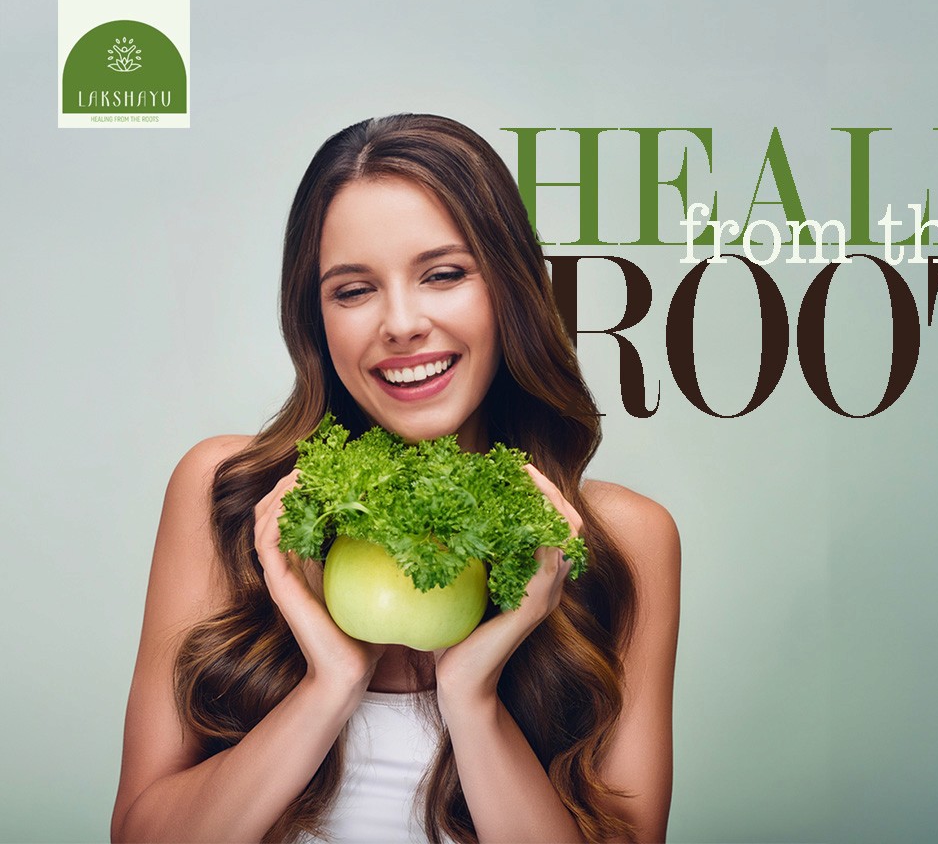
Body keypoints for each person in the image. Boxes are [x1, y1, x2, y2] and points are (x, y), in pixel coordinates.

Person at [110, 114, 680, 843]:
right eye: (353, 290)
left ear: (508, 289)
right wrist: (329, 686)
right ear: (316, 322)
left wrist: (471, 701)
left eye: (444, 274)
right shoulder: (231, 495)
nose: (402, 323)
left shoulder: (622, 540)